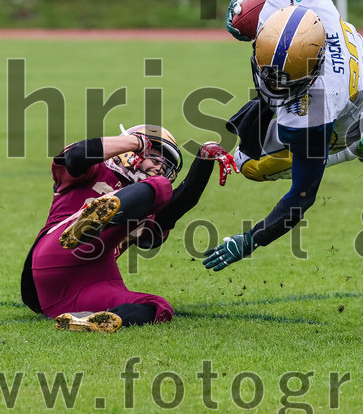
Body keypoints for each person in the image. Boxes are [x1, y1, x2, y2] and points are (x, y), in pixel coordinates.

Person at [204, 0, 363, 271]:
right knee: (265, 114)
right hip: (360, 56)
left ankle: (360, 145)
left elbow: (302, 195)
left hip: (353, 109)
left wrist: (250, 239)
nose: (273, 85)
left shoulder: (315, 110)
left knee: (251, 166)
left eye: (286, 82)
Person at [20, 125, 237, 333]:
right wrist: (135, 141)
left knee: (159, 307)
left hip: (79, 286)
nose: (161, 168)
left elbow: (181, 202)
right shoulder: (99, 169)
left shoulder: (149, 208)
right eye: (156, 158)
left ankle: (92, 321)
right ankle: (88, 222)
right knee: (160, 186)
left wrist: (204, 159)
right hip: (60, 248)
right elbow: (75, 157)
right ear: (133, 153)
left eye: (166, 166)